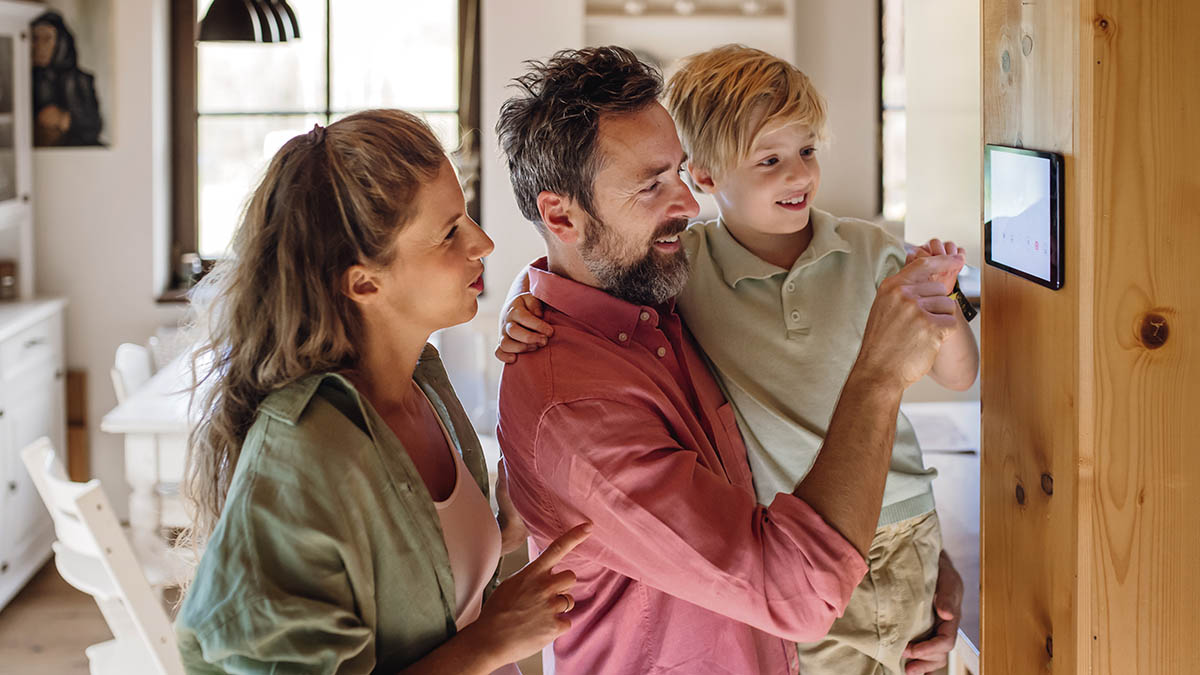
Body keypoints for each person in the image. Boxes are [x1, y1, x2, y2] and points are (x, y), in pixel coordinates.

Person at [500, 45, 977, 675]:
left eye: (676, 172)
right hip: (799, 588)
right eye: (652, 184)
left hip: (881, 545)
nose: (687, 205)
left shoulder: (653, 289)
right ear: (560, 214)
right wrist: (881, 375)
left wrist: (916, 542)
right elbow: (799, 589)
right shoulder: (584, 397)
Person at [174, 109, 588, 674]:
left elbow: (428, 591)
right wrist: (492, 641)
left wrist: (502, 530)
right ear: (363, 282)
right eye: (449, 232)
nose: (483, 243)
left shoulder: (424, 385)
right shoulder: (300, 456)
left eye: (466, 216)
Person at [31, 11, 102, 146]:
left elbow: (94, 125)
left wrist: (64, 119)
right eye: (34, 39)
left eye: (46, 39)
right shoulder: (23, 79)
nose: (38, 47)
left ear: (61, 42)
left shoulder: (79, 79)